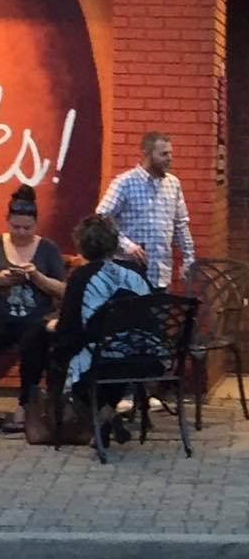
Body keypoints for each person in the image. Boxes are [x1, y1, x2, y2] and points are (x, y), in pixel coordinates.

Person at [0, 185, 67, 433]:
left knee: (35, 342)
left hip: (35, 319)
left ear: (36, 225)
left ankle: (25, 405)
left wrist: (37, 277)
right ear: (8, 222)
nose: (21, 233)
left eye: (27, 228)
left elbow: (63, 290)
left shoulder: (48, 248)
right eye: (16, 227)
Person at [49, 213, 152, 445]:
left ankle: (99, 417)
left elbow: (71, 328)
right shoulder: (136, 272)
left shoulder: (81, 277)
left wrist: (54, 328)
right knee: (118, 357)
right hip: (143, 357)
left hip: (100, 358)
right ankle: (107, 416)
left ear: (82, 246)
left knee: (61, 356)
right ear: (114, 243)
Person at [97, 132, 194, 289]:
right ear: (147, 154)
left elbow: (180, 225)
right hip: (128, 272)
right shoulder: (124, 183)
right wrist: (126, 245)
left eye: (171, 153)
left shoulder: (173, 184)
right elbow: (101, 219)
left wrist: (189, 258)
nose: (170, 158)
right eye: (164, 154)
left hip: (161, 273)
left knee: (160, 305)